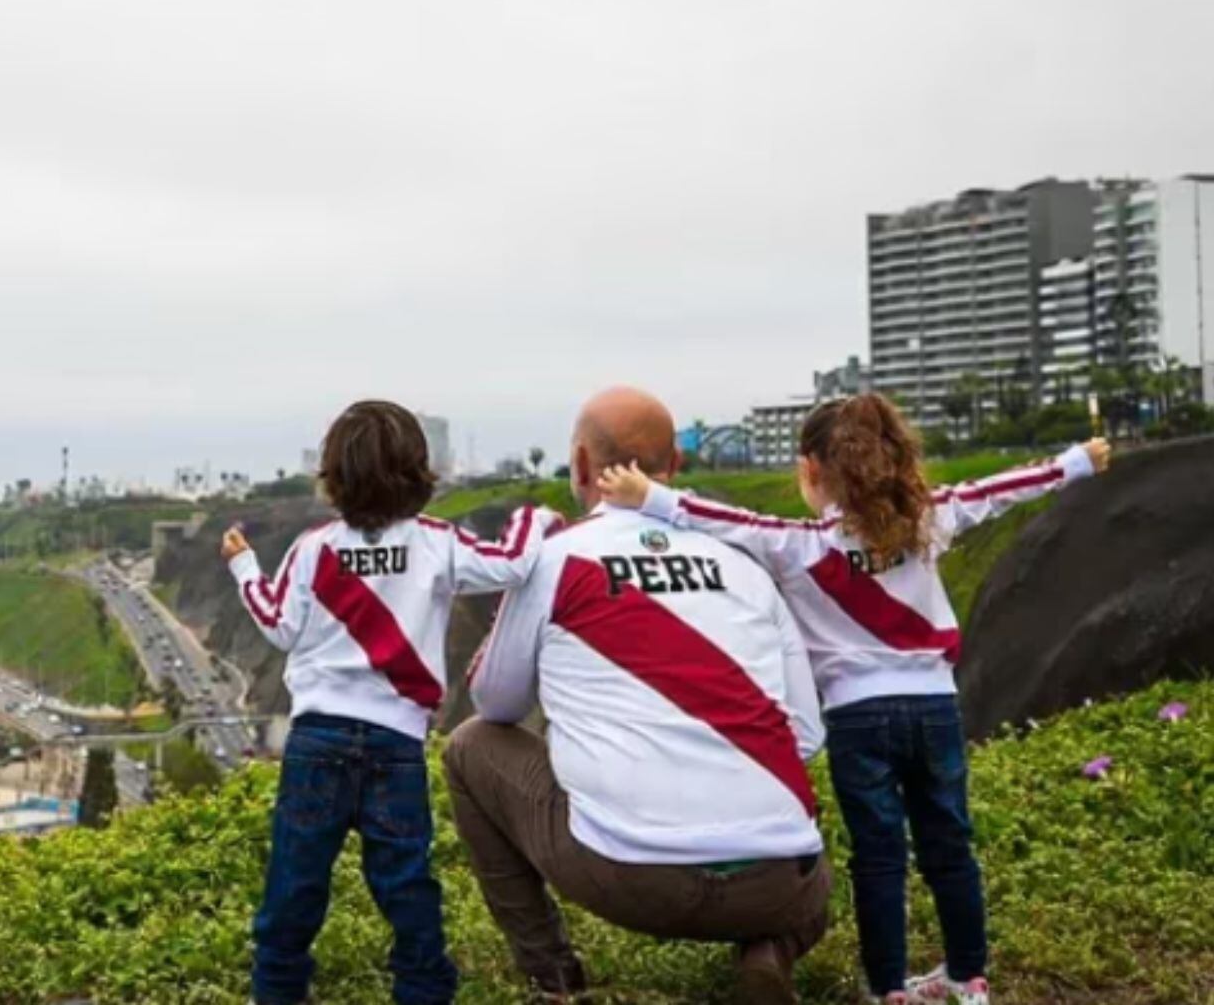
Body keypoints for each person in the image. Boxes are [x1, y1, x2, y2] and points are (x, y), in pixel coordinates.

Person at [599, 393, 1111, 1005]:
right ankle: (969, 978)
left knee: (879, 856)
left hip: (857, 717)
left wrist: (645, 496)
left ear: (813, 471)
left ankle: (888, 987)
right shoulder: (930, 517)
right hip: (935, 708)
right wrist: (1077, 459)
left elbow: (712, 516)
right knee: (949, 843)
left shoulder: (799, 544)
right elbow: (1002, 488)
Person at [448, 386, 830, 1005]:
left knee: (469, 747)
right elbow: (806, 736)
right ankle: (769, 953)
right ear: (673, 468)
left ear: (579, 465)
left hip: (629, 879)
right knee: (808, 855)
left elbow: (496, 707)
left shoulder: (553, 561)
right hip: (774, 885)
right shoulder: (745, 566)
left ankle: (554, 976)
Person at [223, 398, 553, 1005]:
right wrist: (532, 515)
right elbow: (515, 564)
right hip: (395, 743)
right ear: (418, 472)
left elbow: (278, 625)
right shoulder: (436, 543)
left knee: (293, 886)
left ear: (333, 477)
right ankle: (424, 991)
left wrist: (245, 567)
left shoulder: (313, 549)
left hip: (317, 742)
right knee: (406, 886)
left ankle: (277, 992)